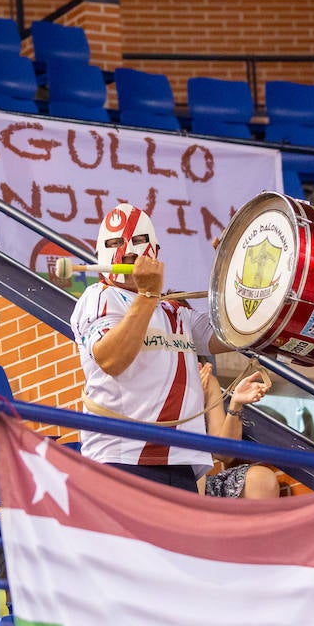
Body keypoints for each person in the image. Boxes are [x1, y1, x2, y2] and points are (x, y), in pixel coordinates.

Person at [70, 202, 230, 492]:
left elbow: (232, 334)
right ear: (99, 254)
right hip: (120, 458)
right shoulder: (98, 297)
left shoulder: (173, 310)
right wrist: (147, 293)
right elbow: (111, 360)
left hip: (180, 462)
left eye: (139, 240)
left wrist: (236, 269)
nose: (128, 251)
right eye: (115, 243)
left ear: (155, 251)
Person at [197, 362, 283, 499]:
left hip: (201, 483)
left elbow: (224, 454)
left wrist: (236, 403)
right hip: (160, 479)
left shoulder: (206, 379)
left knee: (261, 480)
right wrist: (190, 404)